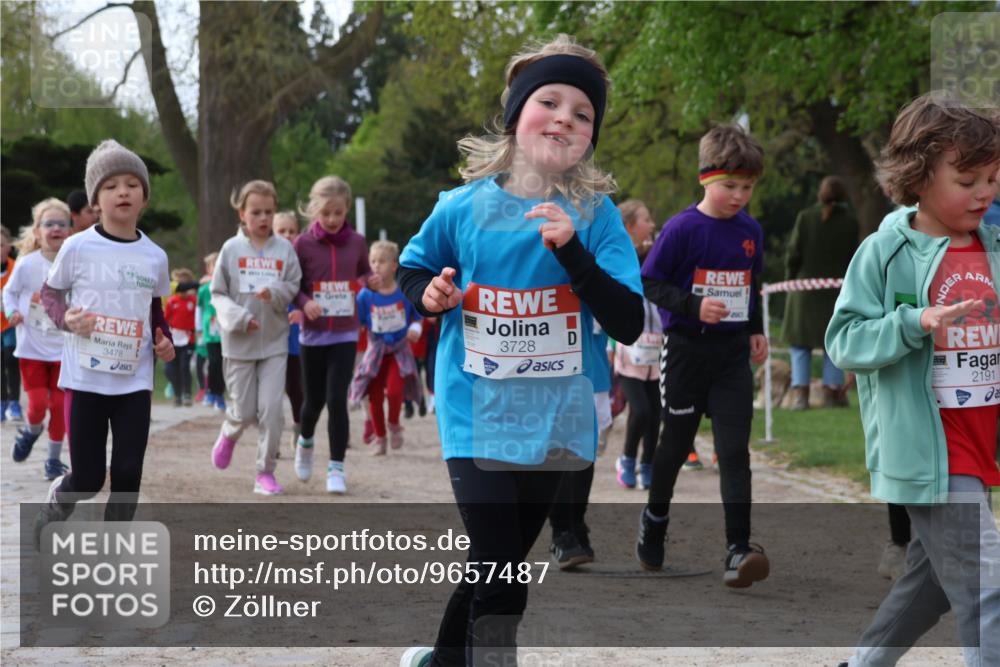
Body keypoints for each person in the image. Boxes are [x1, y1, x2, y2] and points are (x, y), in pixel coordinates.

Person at [396, 34, 643, 667]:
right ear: (515, 115)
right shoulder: (460, 207)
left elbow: (627, 321)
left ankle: (443, 660)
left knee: (497, 558)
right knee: (500, 561)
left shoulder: (598, 217)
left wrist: (573, 254)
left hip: (557, 418)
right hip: (474, 411)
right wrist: (432, 296)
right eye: (549, 101)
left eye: (582, 112)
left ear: (591, 135)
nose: (565, 117)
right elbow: (413, 270)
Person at [828, 93, 1000, 667]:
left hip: (981, 446)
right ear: (919, 176)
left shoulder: (994, 250)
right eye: (969, 178)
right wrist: (913, 322)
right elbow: (844, 342)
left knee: (928, 589)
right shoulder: (884, 251)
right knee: (989, 585)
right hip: (928, 453)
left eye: (994, 178)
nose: (985, 192)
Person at [637, 123, 770, 588]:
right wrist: (694, 306)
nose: (739, 196)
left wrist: (754, 330)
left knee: (734, 452)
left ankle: (738, 549)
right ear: (705, 180)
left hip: (732, 356)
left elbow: (752, 286)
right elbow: (650, 283)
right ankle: (654, 521)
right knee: (674, 445)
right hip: (687, 352)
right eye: (730, 186)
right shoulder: (681, 229)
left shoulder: (751, 231)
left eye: (748, 187)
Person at [34, 139, 175, 539]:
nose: (123, 191)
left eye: (133, 183)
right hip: (85, 379)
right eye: (111, 186)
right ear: (96, 200)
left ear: (144, 197)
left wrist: (165, 342)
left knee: (128, 473)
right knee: (89, 478)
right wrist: (67, 319)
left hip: (134, 379)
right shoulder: (77, 247)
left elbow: (155, 310)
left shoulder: (155, 256)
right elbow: (49, 294)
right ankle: (57, 501)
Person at [210, 180, 302, 496]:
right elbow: (217, 293)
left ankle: (265, 472)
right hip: (238, 343)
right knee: (245, 411)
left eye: (268, 212)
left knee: (273, 409)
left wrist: (275, 293)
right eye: (256, 212)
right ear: (242, 213)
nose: (263, 218)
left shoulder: (285, 250)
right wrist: (240, 318)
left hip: (275, 342)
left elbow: (293, 285)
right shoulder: (230, 249)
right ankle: (229, 432)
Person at [292, 176, 374, 494]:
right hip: (312, 335)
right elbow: (294, 286)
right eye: (325, 213)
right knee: (313, 402)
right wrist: (305, 302)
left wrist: (371, 280)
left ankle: (336, 468)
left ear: (346, 210)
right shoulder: (302, 244)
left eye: (337, 213)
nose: (331, 219)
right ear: (314, 210)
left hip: (345, 333)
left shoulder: (357, 242)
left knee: (337, 399)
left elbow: (363, 271)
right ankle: (306, 441)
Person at [4, 198, 71, 479]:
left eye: (62, 224)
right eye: (49, 224)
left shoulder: (75, 263)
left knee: (58, 407)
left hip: (64, 348)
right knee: (38, 406)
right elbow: (8, 292)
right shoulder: (27, 264)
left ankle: (53, 461)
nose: (55, 228)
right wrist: (12, 312)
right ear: (36, 231)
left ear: (70, 230)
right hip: (31, 348)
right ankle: (31, 431)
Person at [782, 175, 858, 409]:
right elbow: (853, 258)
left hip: (804, 292)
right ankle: (833, 392)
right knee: (832, 343)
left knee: (799, 344)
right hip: (837, 293)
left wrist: (790, 283)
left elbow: (793, 255)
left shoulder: (806, 218)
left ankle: (800, 395)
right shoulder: (850, 222)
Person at [348, 240, 423, 456]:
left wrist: (415, 329)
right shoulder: (365, 296)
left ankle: (394, 425)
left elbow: (417, 316)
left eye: (382, 261)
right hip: (376, 352)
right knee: (375, 397)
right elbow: (358, 322)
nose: (376, 266)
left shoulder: (404, 293)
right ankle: (379, 438)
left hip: (399, 352)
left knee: (395, 391)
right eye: (373, 261)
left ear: (394, 265)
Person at [613, 199, 662, 489]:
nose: (652, 225)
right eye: (647, 219)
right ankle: (627, 459)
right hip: (629, 352)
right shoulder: (617, 255)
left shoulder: (656, 256)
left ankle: (648, 465)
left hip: (656, 351)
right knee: (641, 410)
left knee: (656, 413)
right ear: (630, 224)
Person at [273, 211, 304, 454]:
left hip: (298, 339)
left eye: (291, 231)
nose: (287, 235)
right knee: (271, 394)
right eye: (281, 231)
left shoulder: (304, 260)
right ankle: (272, 439)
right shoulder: (265, 261)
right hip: (271, 338)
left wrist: (302, 310)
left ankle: (299, 427)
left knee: (296, 390)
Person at [196, 252, 225, 411]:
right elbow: (199, 310)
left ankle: (220, 395)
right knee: (213, 363)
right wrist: (199, 329)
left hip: (226, 332)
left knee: (223, 365)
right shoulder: (204, 289)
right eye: (215, 265)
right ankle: (211, 392)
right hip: (210, 332)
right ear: (209, 269)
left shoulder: (228, 286)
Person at [165, 268, 198, 407]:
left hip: (188, 339)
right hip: (173, 339)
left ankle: (187, 394)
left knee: (185, 366)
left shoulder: (194, 301)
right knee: (171, 369)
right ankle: (177, 395)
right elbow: (165, 318)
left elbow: (199, 319)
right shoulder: (172, 301)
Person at [0, 226, 23, 422]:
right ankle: (2, 402)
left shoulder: (16, 268)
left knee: (11, 360)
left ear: (8, 247)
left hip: (11, 325)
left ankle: (15, 402)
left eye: (1, 245)